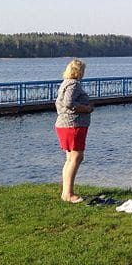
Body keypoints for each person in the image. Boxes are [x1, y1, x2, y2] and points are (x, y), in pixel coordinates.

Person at [54, 59, 94, 203]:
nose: (84, 73)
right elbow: (69, 103)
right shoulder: (74, 84)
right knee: (76, 157)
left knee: (70, 159)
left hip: (65, 124)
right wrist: (86, 108)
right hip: (73, 125)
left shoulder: (65, 83)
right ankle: (69, 194)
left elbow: (60, 104)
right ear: (78, 71)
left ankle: (66, 192)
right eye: (83, 70)